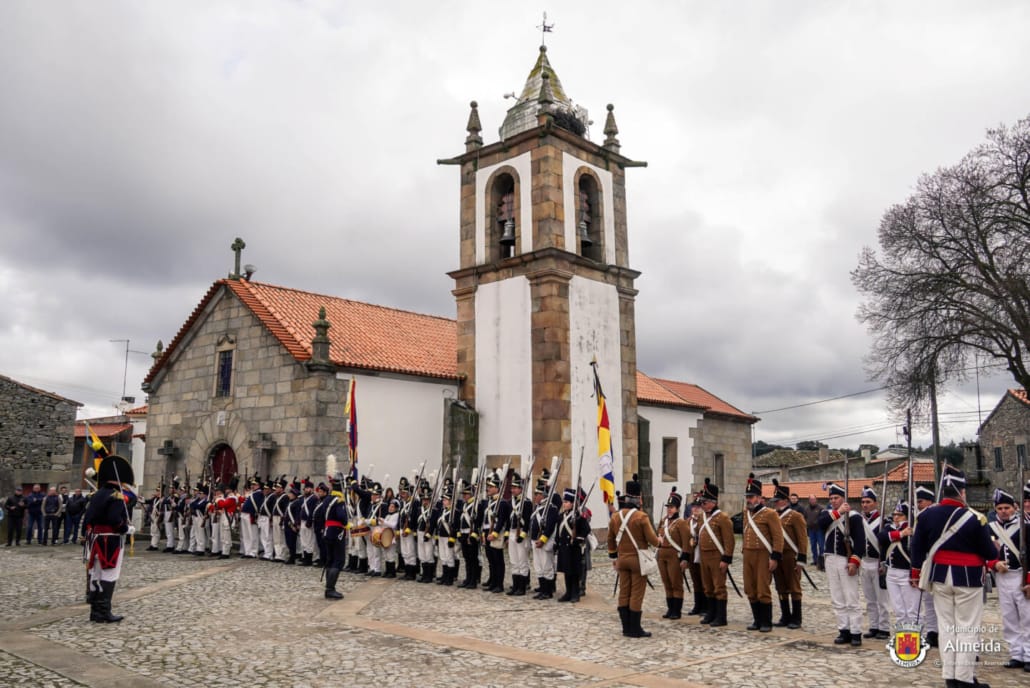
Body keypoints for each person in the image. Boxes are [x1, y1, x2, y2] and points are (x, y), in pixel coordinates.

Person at [910, 466, 999, 688]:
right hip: (968, 579)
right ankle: (965, 679)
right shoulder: (975, 518)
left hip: (940, 577)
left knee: (947, 627)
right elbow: (989, 553)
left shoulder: (927, 515)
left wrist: (914, 573)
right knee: (967, 629)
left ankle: (950, 677)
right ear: (962, 492)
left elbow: (917, 548)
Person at [82, 455, 135, 622]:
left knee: (96, 574)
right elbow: (115, 520)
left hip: (95, 540)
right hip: (110, 541)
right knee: (109, 574)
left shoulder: (96, 495)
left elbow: (88, 519)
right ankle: (104, 612)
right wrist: (127, 529)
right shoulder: (116, 496)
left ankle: (95, 612)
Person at [607, 474, 661, 637]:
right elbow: (653, 540)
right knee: (636, 593)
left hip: (622, 559)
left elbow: (610, 539)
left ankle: (626, 627)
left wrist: (614, 557)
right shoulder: (641, 517)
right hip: (638, 561)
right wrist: (659, 540)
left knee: (624, 592)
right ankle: (635, 628)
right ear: (638, 498)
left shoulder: (616, 516)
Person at [818, 482, 865, 647]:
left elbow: (860, 542)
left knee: (851, 597)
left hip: (846, 560)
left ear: (843, 498)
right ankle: (843, 630)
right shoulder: (828, 514)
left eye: (836, 498)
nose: (833, 501)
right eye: (831, 498)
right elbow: (820, 524)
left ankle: (856, 632)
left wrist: (854, 561)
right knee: (837, 598)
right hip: (831, 558)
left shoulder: (854, 517)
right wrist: (838, 512)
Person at [988, 486, 1029, 671]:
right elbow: (985, 553)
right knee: (1009, 618)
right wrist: (994, 563)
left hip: (1022, 576)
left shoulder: (1025, 526)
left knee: (1027, 618)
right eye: (1000, 508)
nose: (1004, 511)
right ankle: (1016, 654)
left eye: (1007, 508)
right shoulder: (990, 528)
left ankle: (1029, 654)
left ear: (1015, 507)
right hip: (1002, 578)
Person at [741, 474, 783, 633]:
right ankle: (757, 620)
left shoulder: (770, 514)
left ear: (759, 497)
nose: (749, 500)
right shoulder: (746, 513)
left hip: (763, 554)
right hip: (748, 555)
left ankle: (766, 622)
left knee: (762, 588)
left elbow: (778, 537)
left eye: (751, 497)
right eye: (747, 497)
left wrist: (775, 556)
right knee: (749, 588)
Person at [697, 478, 734, 627]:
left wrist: (726, 559)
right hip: (704, 556)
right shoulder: (702, 518)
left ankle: (721, 616)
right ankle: (711, 613)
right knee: (708, 586)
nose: (703, 505)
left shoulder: (722, 518)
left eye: (705, 502)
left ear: (713, 502)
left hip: (717, 556)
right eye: (702, 502)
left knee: (719, 586)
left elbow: (729, 541)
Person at [772, 479, 808, 629]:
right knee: (780, 586)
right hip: (777, 556)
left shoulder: (795, 516)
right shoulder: (773, 515)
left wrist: (801, 559)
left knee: (794, 587)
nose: (775, 503)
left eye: (778, 500)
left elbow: (802, 539)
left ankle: (797, 618)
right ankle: (785, 615)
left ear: (786, 501)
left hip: (790, 555)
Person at [858, 486, 891, 640]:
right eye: (863, 502)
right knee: (870, 599)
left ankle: (884, 628)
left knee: (882, 599)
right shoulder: (859, 520)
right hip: (864, 562)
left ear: (875, 503)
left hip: (878, 562)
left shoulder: (883, 521)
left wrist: (884, 563)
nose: (865, 505)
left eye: (868, 502)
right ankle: (874, 626)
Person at [879, 502, 919, 625]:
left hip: (907, 572)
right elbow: (881, 537)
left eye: (900, 515)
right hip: (891, 572)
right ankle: (903, 640)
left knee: (912, 610)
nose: (896, 517)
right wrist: (901, 534)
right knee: (899, 610)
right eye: (895, 514)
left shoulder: (914, 529)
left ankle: (916, 640)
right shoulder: (890, 528)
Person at [656, 487, 690, 619]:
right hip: (662, 555)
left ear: (678, 508)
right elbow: (658, 534)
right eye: (668, 506)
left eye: (672, 507)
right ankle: (670, 609)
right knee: (667, 583)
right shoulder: (664, 521)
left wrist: (685, 558)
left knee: (676, 583)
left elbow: (686, 542)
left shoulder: (681, 523)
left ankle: (677, 610)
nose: (669, 509)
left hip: (674, 556)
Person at [914, 484, 939, 647]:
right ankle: (932, 631)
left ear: (930, 502)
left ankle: (942, 631)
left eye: (921, 501)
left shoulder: (936, 517)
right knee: (928, 602)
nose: (918, 504)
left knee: (940, 602)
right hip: (924, 564)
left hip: (937, 562)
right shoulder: (917, 518)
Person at [529, 471, 560, 600]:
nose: (535, 496)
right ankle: (542, 588)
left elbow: (550, 527)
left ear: (543, 495)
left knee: (547, 566)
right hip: (535, 540)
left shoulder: (551, 508)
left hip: (544, 542)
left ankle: (548, 591)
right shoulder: (538, 507)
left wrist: (542, 540)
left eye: (537, 494)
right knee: (538, 566)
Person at [557, 487, 590, 604]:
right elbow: (559, 532)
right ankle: (568, 592)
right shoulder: (561, 516)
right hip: (564, 548)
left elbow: (586, 530)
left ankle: (575, 593)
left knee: (574, 572)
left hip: (574, 548)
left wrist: (577, 540)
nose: (564, 504)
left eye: (566, 502)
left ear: (572, 503)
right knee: (567, 571)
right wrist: (557, 544)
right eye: (564, 502)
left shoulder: (578, 516)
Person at [481, 471, 511, 593]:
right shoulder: (488, 502)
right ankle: (493, 582)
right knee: (491, 559)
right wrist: (484, 533)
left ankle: (499, 584)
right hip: (488, 532)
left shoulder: (502, 503)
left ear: (497, 488)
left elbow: (502, 521)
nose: (488, 488)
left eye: (491, 487)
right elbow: (485, 520)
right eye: (488, 486)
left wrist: (495, 533)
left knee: (498, 560)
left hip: (496, 534)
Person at [506, 473, 533, 596]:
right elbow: (508, 521)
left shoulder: (526, 503)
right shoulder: (510, 502)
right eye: (512, 488)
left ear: (521, 489)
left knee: (522, 561)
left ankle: (522, 587)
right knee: (514, 560)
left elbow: (527, 521)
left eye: (515, 488)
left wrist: (523, 535)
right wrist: (507, 535)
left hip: (521, 533)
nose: (512, 490)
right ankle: (515, 585)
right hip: (512, 533)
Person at [321, 476, 348, 599]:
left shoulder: (327, 499)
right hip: (337, 532)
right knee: (338, 560)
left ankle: (329, 588)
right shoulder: (339, 500)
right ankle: (330, 589)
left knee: (330, 560)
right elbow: (341, 516)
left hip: (327, 531)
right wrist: (347, 524)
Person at [682, 498, 706, 616]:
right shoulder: (688, 522)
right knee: (695, 580)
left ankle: (706, 607)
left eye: (698, 507)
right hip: (692, 553)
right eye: (694, 506)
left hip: (702, 554)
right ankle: (697, 605)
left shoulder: (704, 521)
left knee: (704, 580)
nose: (695, 509)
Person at [803, 495, 824, 570]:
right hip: (811, 530)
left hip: (819, 530)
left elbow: (823, 518)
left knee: (821, 545)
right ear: (809, 500)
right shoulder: (806, 508)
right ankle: (815, 560)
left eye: (814, 499)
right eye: (811, 499)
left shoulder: (821, 508)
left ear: (816, 500)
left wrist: (817, 522)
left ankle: (822, 561)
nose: (812, 501)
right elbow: (804, 517)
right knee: (813, 545)